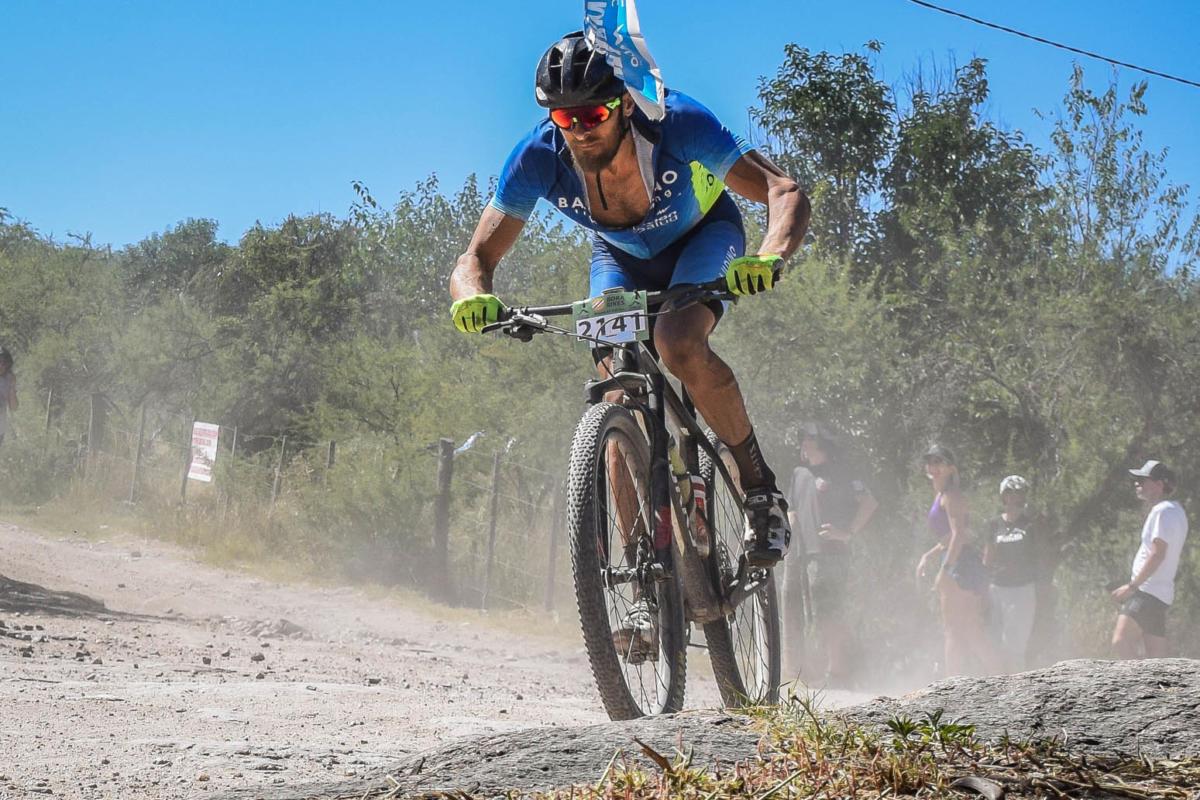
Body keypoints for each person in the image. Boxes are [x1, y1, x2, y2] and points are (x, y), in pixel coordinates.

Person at [449, 33, 810, 579]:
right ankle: (641, 570)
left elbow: (782, 191)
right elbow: (475, 258)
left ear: (623, 103)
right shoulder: (537, 157)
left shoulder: (677, 121)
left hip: (703, 237)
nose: (579, 130)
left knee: (677, 342)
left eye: (593, 114)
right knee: (616, 386)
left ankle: (760, 491)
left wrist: (769, 256)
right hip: (620, 256)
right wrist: (473, 297)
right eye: (564, 119)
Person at [783, 423, 877, 685]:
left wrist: (847, 533)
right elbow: (792, 507)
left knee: (829, 612)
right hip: (803, 555)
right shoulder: (799, 473)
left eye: (809, 438)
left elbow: (870, 502)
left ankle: (839, 672)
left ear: (823, 442)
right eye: (802, 437)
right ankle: (808, 672)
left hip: (831, 554)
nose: (803, 442)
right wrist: (792, 529)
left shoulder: (841, 472)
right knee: (810, 614)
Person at [916, 445, 1000, 676]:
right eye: (930, 462)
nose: (933, 467)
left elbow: (959, 535)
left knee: (958, 629)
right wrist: (928, 555)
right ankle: (996, 678)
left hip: (960, 564)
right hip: (958, 560)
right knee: (967, 630)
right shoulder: (942, 495)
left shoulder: (951, 496)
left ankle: (954, 682)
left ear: (951, 468)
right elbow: (949, 537)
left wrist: (945, 570)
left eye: (938, 462)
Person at [1111, 460, 1190, 659]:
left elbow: (1157, 554)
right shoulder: (1177, 511)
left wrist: (1132, 586)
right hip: (1161, 594)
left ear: (1159, 484)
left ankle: (1134, 680)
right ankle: (1158, 682)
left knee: (1120, 641)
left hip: (1146, 591)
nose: (1137, 483)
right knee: (1156, 659)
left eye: (1143, 480)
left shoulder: (1162, 511)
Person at [984, 475, 1039, 672]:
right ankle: (996, 680)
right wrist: (982, 586)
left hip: (1021, 589)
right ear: (1003, 496)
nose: (1015, 497)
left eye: (1019, 493)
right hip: (997, 588)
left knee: (1014, 644)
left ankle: (1017, 682)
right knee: (994, 640)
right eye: (1010, 493)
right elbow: (988, 557)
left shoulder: (1030, 524)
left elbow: (1039, 556)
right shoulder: (994, 524)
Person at [0, 348, 18, 447]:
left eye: (4, 363)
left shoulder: (8, 379)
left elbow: (14, 407)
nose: (1, 365)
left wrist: (12, 387)